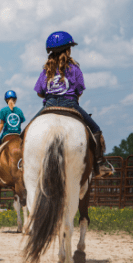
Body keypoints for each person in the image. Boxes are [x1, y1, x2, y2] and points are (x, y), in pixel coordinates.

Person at [33, 31, 108, 176]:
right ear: (67, 50)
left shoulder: (46, 70)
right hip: (70, 104)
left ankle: (23, 163)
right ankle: (99, 164)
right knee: (96, 130)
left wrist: (51, 94)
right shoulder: (74, 69)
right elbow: (80, 90)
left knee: (25, 133)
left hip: (49, 106)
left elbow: (39, 92)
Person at [0, 90, 25, 171]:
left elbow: (1, 125)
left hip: (6, 136)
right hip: (17, 136)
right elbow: (20, 125)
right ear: (15, 99)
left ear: (6, 100)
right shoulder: (19, 111)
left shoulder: (3, 110)